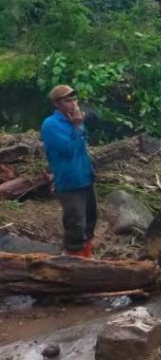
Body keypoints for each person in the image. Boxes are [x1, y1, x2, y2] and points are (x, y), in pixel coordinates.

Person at [41, 85, 97, 258]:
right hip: (70, 182)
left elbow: (82, 146)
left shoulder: (73, 120)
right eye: (68, 101)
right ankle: (74, 268)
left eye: (74, 99)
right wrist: (78, 126)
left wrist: (78, 126)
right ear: (57, 104)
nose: (74, 104)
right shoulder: (51, 125)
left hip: (85, 178)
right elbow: (68, 150)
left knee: (89, 222)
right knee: (76, 226)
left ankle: (88, 263)